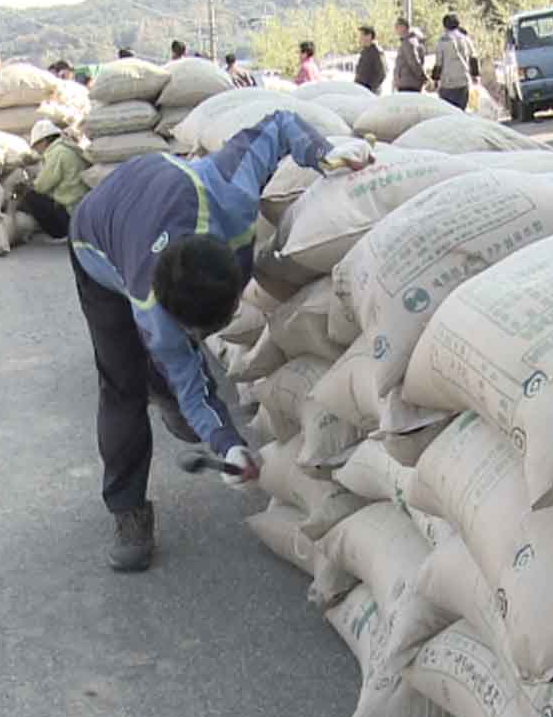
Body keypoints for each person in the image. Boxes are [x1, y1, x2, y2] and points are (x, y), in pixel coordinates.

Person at [68, 111, 374, 572]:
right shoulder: (153, 308)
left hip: (157, 188)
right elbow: (192, 381)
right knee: (121, 383)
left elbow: (277, 124)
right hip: (97, 242)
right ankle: (127, 510)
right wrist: (229, 443)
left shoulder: (230, 195)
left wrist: (325, 152)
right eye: (195, 333)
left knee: (177, 375)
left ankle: (161, 381)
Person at [15, 120, 89, 239]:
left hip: (70, 211)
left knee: (31, 196)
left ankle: (60, 233)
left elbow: (42, 186)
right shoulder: (64, 148)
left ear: (44, 141)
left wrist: (26, 186)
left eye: (36, 145)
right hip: (79, 207)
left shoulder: (57, 153)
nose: (36, 149)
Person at [432, 13, 474, 111]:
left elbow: (439, 63)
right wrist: (475, 74)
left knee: (448, 112)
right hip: (463, 80)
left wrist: (435, 79)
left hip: (448, 82)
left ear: (445, 26)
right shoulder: (466, 39)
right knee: (461, 111)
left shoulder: (443, 41)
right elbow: (473, 57)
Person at [392, 17, 426, 92]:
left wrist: (423, 77)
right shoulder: (408, 41)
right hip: (407, 82)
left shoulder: (408, 42)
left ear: (403, 27)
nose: (395, 29)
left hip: (408, 84)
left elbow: (413, 62)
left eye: (397, 26)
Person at [353, 26, 386, 94]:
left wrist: (371, 88)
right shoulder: (365, 51)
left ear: (369, 36)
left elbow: (382, 73)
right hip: (361, 90)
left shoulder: (376, 51)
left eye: (362, 35)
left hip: (369, 92)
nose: (360, 38)